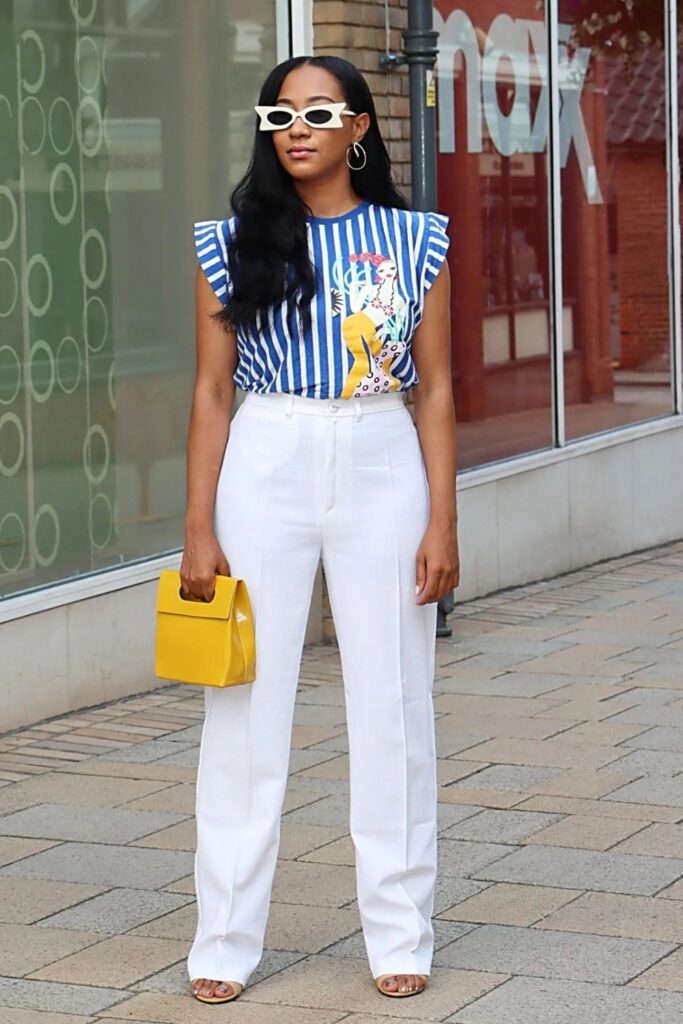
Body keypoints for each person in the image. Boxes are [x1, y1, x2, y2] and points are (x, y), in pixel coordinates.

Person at [181, 53, 459, 1006]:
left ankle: (399, 929)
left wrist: (443, 521)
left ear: (360, 129)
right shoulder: (230, 241)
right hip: (265, 456)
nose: (294, 129)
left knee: (394, 706)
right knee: (244, 710)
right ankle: (222, 939)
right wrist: (197, 530)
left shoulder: (415, 239)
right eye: (278, 116)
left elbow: (437, 389)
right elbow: (212, 392)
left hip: (383, 456)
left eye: (316, 113)